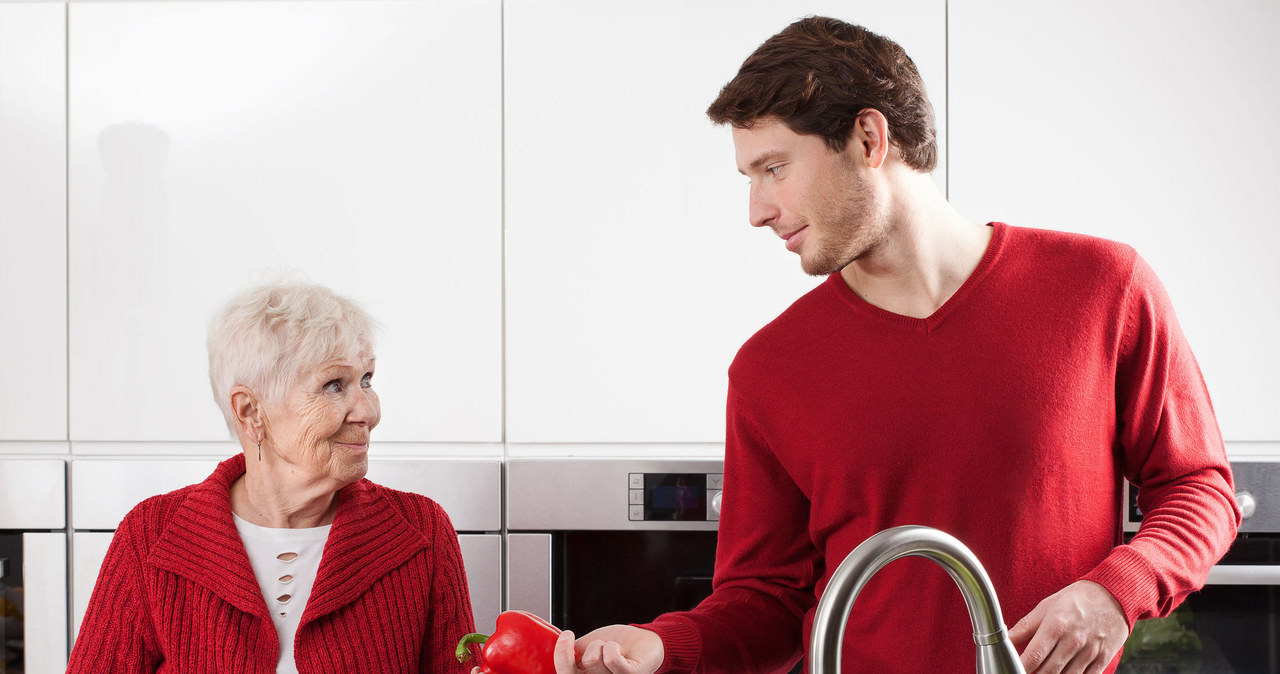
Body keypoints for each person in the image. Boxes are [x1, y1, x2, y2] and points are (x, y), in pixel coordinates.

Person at [566, 16, 1242, 674]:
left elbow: (1199, 488)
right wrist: (662, 645)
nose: (757, 210)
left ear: (868, 138)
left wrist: (1114, 592)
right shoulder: (769, 370)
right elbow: (767, 601)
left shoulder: (1102, 287)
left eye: (773, 168)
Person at [68, 280, 476, 673]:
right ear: (250, 411)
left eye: (366, 380)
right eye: (334, 385)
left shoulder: (422, 534)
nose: (368, 411)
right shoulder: (151, 538)